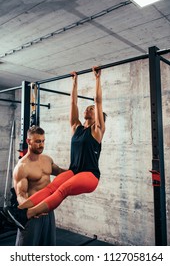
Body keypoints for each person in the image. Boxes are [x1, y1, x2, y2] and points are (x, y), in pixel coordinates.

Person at [5, 66, 106, 230]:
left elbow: (98, 101)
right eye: (88, 107)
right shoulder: (76, 128)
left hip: (90, 175)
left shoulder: (97, 131)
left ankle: (27, 215)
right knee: (51, 187)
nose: (89, 108)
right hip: (74, 171)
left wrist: (97, 78)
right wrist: (74, 82)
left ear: (98, 118)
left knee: (62, 189)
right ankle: (17, 211)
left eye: (92, 109)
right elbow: (73, 102)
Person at [3, 125, 67, 246]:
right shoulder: (22, 167)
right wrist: (32, 211)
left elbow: (59, 172)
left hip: (48, 210)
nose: (41, 145)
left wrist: (78, 171)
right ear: (28, 141)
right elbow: (20, 195)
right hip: (32, 215)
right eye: (38, 141)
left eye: (43, 141)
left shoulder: (47, 160)